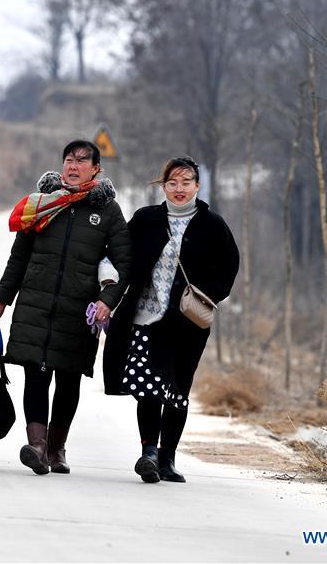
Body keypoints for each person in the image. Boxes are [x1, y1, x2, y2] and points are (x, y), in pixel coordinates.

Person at [0, 140, 132, 475]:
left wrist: (107, 301)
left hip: (78, 311)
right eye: (68, 160)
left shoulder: (107, 212)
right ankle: (36, 445)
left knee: (68, 379)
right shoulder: (41, 204)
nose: (73, 166)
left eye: (81, 161)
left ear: (96, 169)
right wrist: (1, 299)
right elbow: (19, 257)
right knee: (35, 374)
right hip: (36, 303)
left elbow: (124, 263)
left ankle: (56, 448)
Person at [103, 156, 239, 483]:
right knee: (148, 387)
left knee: (177, 390)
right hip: (145, 316)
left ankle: (168, 459)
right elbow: (120, 253)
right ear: (163, 185)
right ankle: (148, 452)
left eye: (186, 182)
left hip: (187, 323)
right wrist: (109, 283)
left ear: (197, 186)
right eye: (172, 183)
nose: (179, 189)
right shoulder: (146, 219)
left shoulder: (213, 225)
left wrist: (206, 294)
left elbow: (229, 268)